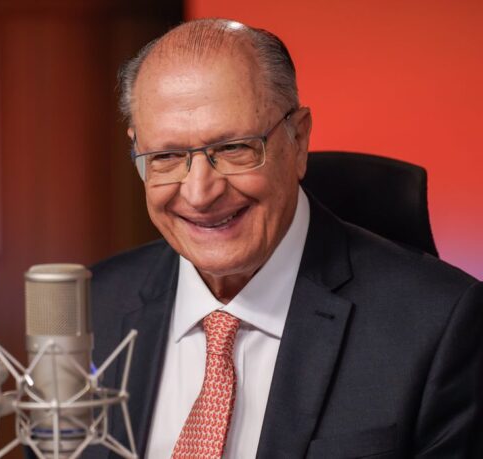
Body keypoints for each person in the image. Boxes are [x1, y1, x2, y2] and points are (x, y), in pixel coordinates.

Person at [86, 18, 483, 458]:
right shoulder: (91, 306)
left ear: (298, 139)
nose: (199, 193)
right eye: (166, 155)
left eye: (234, 148)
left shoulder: (440, 326)